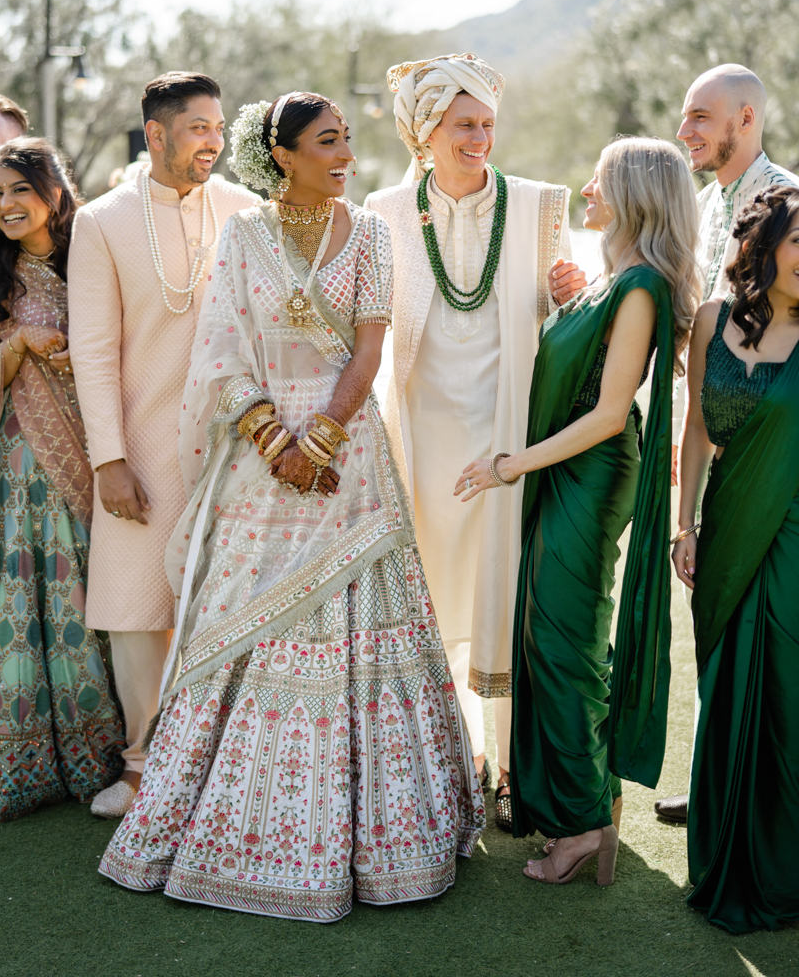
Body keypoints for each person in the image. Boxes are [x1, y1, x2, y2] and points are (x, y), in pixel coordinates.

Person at [98, 91, 484, 921]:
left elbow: (372, 346)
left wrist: (323, 439)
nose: (345, 157)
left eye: (347, 141)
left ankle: (382, 842)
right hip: (259, 455)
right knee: (240, 618)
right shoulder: (245, 237)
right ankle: (228, 831)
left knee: (363, 625)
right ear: (283, 155)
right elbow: (223, 347)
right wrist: (275, 438)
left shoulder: (374, 236)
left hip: (348, 462)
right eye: (328, 142)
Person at [457, 138, 701, 885]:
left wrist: (508, 466)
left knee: (565, 646)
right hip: (567, 472)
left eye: (598, 182)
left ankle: (585, 823)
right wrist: (572, 302)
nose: (587, 192)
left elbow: (603, 414)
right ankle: (578, 810)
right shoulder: (614, 281)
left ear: (630, 194)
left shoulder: (639, 290)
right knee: (551, 638)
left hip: (588, 475)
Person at [365, 54, 582, 831]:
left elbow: (566, 321)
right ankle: (446, 764)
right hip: (417, 434)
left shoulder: (537, 206)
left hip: (507, 435)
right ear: (425, 133)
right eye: (464, 125)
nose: (480, 138)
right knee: (431, 597)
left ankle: (515, 773)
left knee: (504, 592)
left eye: (488, 124)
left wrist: (567, 298)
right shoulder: (383, 211)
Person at [67, 72, 260, 818]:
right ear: (156, 134)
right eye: (198, 127)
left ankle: (222, 767)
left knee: (222, 605)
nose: (213, 140)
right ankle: (143, 771)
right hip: (141, 445)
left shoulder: (247, 211)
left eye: (218, 127)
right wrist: (108, 458)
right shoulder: (104, 221)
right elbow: (93, 348)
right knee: (137, 611)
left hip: (233, 447)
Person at [655, 62, 797, 825]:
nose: (687, 132)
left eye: (701, 117)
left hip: (774, 446)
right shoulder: (707, 205)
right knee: (718, 626)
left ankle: (766, 795)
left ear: (746, 119)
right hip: (712, 430)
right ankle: (720, 776)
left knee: (774, 636)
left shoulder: (791, 206)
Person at [672, 184, 799, 933]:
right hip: (721, 531)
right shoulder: (713, 321)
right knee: (722, 687)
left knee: (785, 694)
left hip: (791, 535)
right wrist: (682, 525)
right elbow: (694, 427)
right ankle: (723, 852)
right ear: (764, 247)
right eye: (798, 240)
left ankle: (783, 869)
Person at [0, 139, 124, 820]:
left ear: (51, 189)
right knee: (36, 598)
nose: (7, 206)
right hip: (24, 466)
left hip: (100, 452)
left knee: (93, 591)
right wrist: (17, 344)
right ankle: (30, 759)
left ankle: (107, 753)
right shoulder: (2, 277)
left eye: (18, 189)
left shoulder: (93, 255)